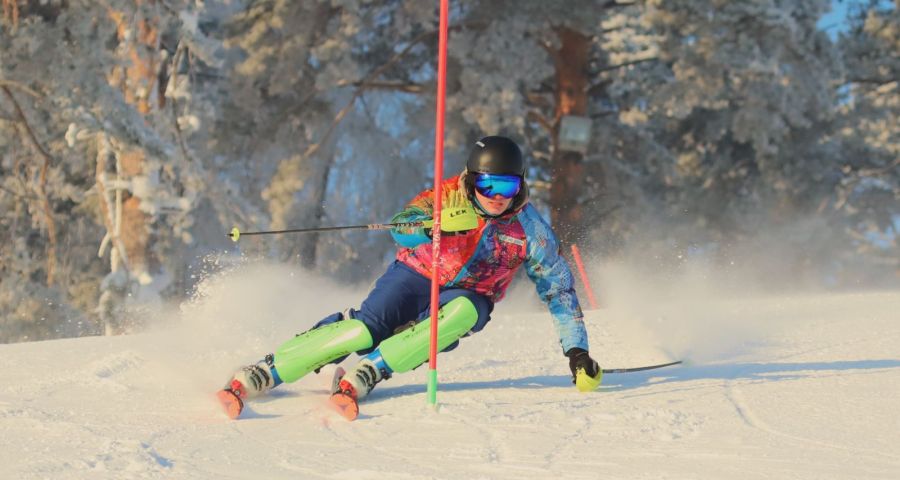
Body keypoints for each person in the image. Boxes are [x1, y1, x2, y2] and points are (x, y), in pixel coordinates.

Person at [218, 136, 601, 419]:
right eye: (488, 185)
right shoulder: (447, 196)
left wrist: (577, 351)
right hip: (418, 272)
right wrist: (428, 228)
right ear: (472, 180)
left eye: (507, 187)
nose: (497, 197)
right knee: (365, 330)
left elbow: (558, 289)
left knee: (466, 312)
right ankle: (267, 370)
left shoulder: (529, 229)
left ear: (520, 185)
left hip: (470, 293)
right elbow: (400, 225)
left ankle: (372, 369)